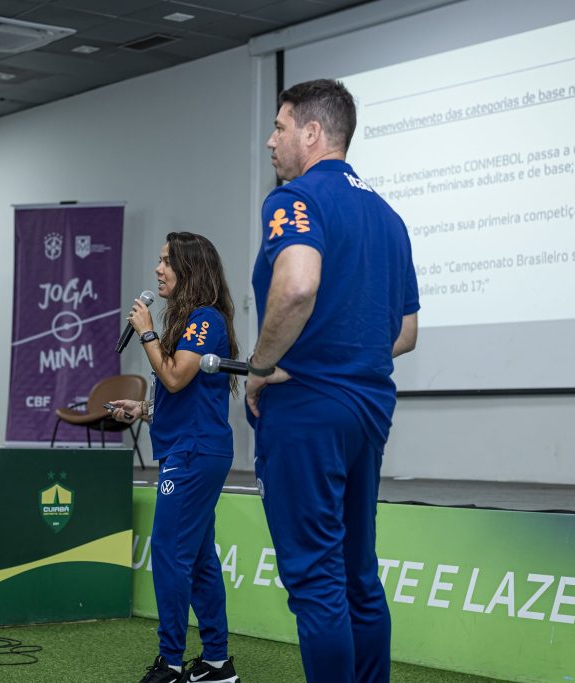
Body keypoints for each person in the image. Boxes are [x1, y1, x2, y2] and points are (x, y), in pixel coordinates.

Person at [245, 79, 420, 683]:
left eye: (280, 127)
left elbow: (295, 285)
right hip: (368, 413)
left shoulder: (296, 198)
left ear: (313, 133)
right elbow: (403, 333)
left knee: (318, 583)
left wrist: (262, 368)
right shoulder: (390, 217)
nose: (271, 141)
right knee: (357, 577)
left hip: (308, 412)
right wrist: (342, 352)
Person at [108, 232, 242, 683]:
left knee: (169, 554)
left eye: (166, 261)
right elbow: (181, 398)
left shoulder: (205, 318)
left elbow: (175, 377)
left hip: (193, 454)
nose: (157, 269)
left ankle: (169, 664)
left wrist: (145, 329)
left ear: (191, 268)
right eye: (159, 259)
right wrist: (143, 410)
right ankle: (218, 664)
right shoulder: (189, 321)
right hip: (189, 447)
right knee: (200, 558)